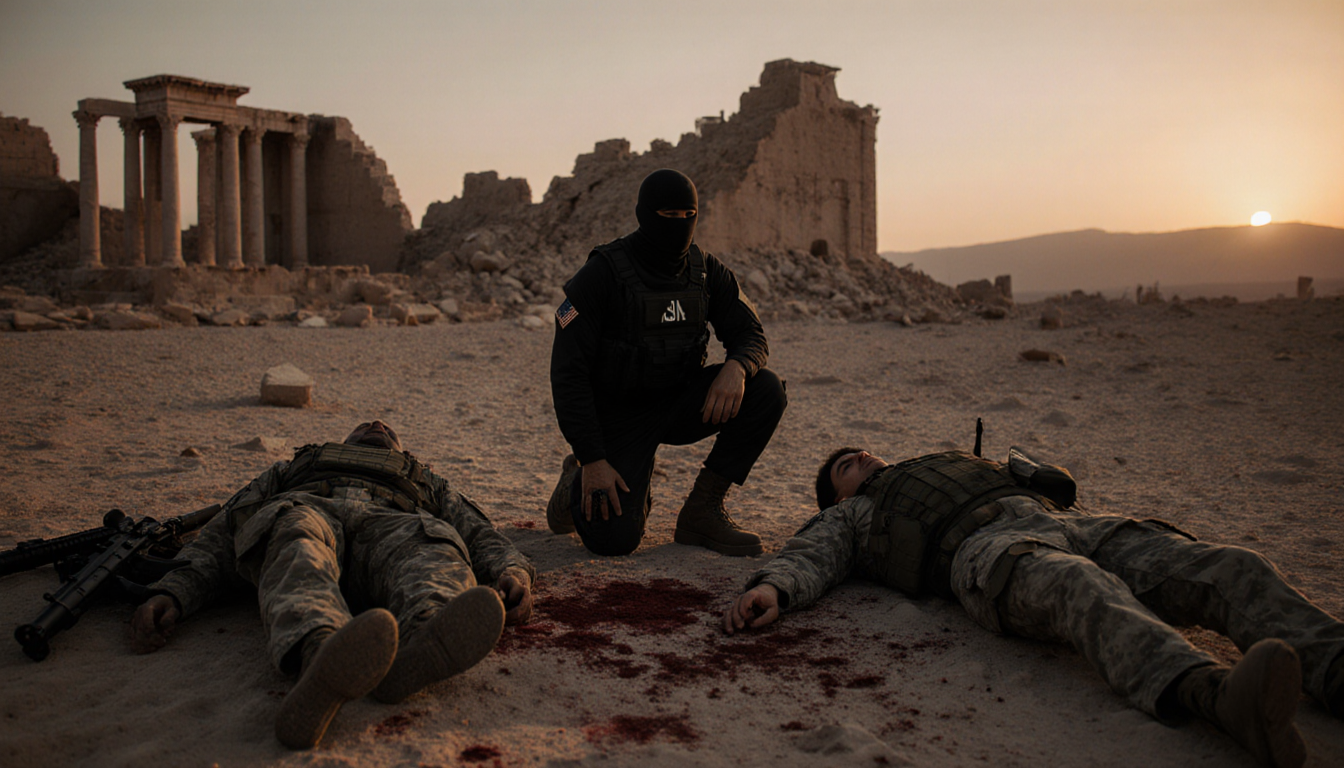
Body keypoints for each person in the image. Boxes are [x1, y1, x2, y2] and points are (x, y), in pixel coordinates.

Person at [723, 447, 1344, 768]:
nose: (857, 456)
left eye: (859, 450)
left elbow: (1058, 490)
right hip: (988, 552)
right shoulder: (854, 516)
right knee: (1082, 588)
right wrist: (773, 590)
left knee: (1228, 565)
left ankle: (1334, 666)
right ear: (838, 497)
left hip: (1062, 523)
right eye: (842, 466)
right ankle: (1214, 695)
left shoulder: (950, 459)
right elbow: (813, 553)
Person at [130, 420, 535, 750]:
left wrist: (513, 572)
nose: (376, 424)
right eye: (364, 426)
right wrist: (177, 589)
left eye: (386, 428)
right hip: (312, 510)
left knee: (433, 550)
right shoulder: (294, 466)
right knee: (295, 539)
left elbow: (479, 532)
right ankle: (319, 652)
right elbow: (225, 527)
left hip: (393, 525)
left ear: (399, 449)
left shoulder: (426, 479)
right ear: (344, 440)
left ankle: (423, 639)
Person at [546, 168, 787, 557]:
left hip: (681, 402)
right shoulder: (601, 275)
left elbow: (752, 334)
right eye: (667, 217)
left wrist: (738, 367)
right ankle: (574, 479)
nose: (679, 225)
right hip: (619, 418)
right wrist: (592, 457)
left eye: (686, 216)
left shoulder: (706, 271)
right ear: (644, 215)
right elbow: (568, 373)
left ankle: (703, 511)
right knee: (615, 541)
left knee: (767, 389)